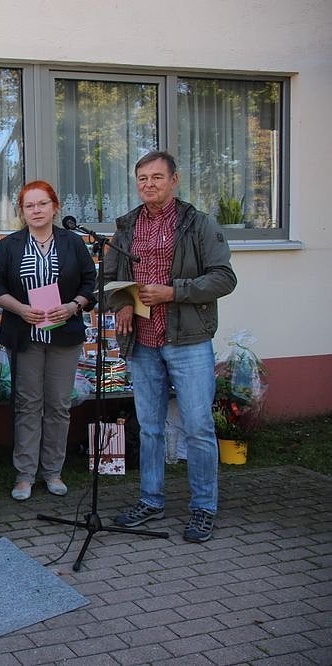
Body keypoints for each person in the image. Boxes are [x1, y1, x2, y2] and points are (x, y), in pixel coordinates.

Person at [105, 150, 236, 543]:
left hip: (188, 341)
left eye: (157, 177)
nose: (149, 184)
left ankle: (203, 508)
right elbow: (108, 278)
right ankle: (151, 500)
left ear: (174, 180)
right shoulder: (126, 226)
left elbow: (224, 278)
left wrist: (173, 292)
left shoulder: (199, 224)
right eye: (142, 178)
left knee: (198, 427)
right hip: (142, 342)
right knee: (149, 428)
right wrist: (122, 302)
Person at [0, 180, 96, 501]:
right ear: (22, 211)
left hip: (64, 335)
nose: (36, 210)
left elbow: (90, 281)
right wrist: (20, 309)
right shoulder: (9, 245)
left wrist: (73, 305)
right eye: (29, 206)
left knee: (59, 405)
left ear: (55, 207)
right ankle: (25, 474)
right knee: (27, 405)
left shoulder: (72, 242)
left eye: (42, 204)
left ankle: (53, 472)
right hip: (25, 336)